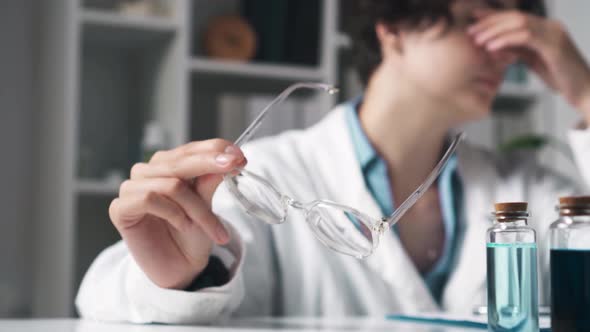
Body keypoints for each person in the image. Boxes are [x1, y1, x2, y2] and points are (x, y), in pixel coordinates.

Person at [76, 0, 590, 324]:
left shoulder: (529, 189)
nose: (503, 55)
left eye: (515, 38)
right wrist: (184, 278)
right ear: (394, 26)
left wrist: (586, 92)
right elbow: (104, 300)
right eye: (480, 24)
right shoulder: (268, 172)